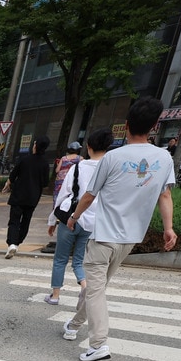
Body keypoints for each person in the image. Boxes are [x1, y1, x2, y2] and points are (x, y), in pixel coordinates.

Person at [63, 97, 178, 361]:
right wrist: (168, 228)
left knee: (95, 290)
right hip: (130, 239)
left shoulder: (113, 157)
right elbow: (165, 195)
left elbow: (90, 194)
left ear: (126, 125)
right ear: (154, 126)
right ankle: (74, 325)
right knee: (96, 288)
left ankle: (98, 344)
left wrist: (74, 217)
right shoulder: (164, 158)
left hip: (104, 236)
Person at [45, 129, 112, 306]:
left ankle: (55, 296)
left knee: (60, 259)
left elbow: (62, 195)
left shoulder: (77, 168)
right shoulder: (110, 170)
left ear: (88, 147)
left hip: (71, 217)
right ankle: (84, 287)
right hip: (93, 222)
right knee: (79, 260)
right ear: (107, 147)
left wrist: (52, 220)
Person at [0, 135, 50, 258]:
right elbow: (45, 183)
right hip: (33, 197)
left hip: (19, 195)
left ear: (35, 146)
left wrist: (8, 184)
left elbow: (13, 174)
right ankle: (17, 243)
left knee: (14, 221)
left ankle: (12, 243)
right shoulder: (45, 164)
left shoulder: (25, 159)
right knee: (26, 221)